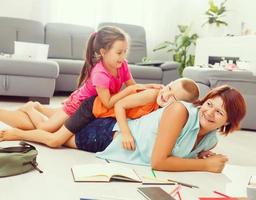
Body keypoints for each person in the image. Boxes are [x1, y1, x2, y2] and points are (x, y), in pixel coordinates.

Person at [1, 85, 246, 172]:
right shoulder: (179, 110)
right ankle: (30, 115)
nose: (209, 112)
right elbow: (159, 161)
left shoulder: (209, 141)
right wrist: (204, 165)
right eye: (209, 104)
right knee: (52, 136)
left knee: (55, 129)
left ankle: (33, 110)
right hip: (108, 135)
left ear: (227, 123)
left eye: (219, 112)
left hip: (111, 132)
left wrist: (197, 155)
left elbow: (177, 152)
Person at [0, 26, 155, 132]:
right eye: (119, 52)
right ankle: (30, 108)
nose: (123, 56)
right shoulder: (100, 74)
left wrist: (150, 89)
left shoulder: (123, 65)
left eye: (125, 52)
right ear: (103, 52)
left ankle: (38, 107)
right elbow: (108, 102)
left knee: (57, 116)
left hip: (89, 103)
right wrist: (128, 90)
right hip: (79, 105)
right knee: (46, 128)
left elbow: (133, 86)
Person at [0, 78, 200, 151]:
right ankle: (20, 129)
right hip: (93, 109)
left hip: (102, 114)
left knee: (55, 118)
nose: (166, 94)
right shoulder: (152, 96)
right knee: (54, 138)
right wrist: (126, 133)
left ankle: (34, 109)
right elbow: (120, 106)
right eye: (170, 87)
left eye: (173, 97)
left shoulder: (163, 110)